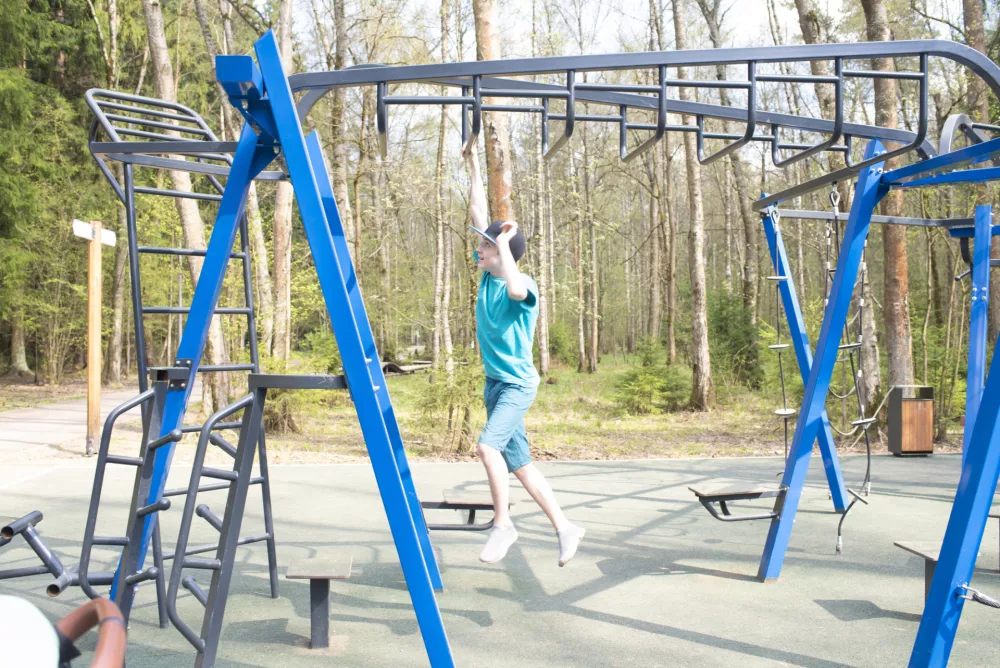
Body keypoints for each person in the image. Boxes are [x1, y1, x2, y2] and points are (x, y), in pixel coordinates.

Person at [462, 136, 586, 566]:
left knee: (486, 449)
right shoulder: (486, 276)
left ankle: (503, 526)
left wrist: (507, 244)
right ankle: (566, 528)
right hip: (496, 385)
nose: (477, 250)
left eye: (485, 247)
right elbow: (480, 214)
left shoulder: (522, 283)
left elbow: (515, 285)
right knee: (522, 465)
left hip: (517, 385)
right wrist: (474, 164)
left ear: (501, 255)